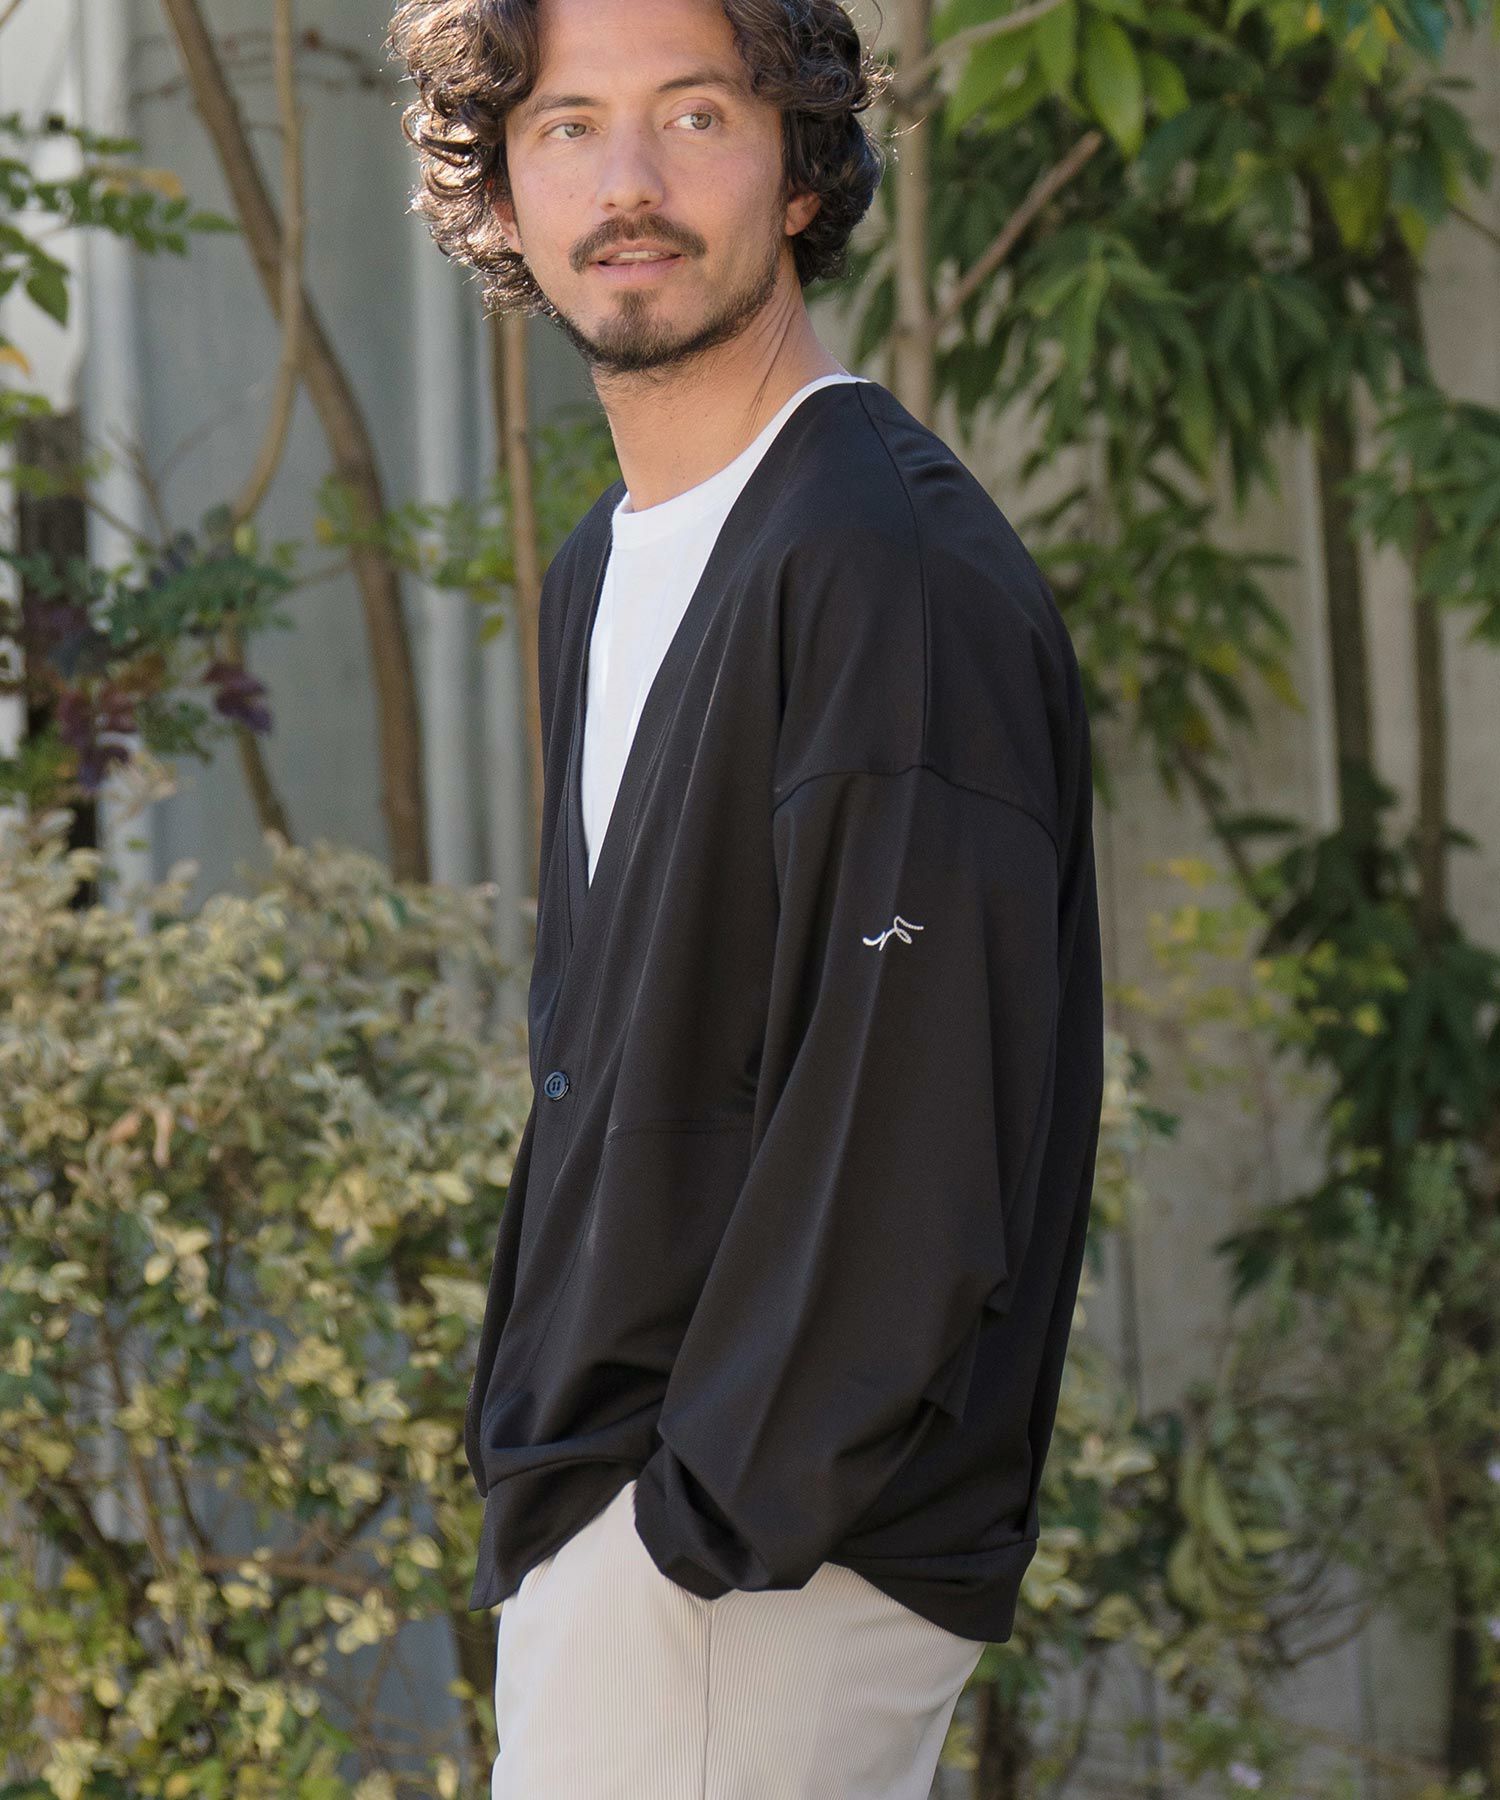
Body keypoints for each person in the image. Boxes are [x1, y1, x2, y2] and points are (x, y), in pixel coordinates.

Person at [389, 0, 1105, 1793]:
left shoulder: (883, 570)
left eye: (695, 114)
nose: (628, 181)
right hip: (634, 1531)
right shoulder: (610, 563)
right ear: (501, 187)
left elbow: (914, 1123)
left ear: (801, 166)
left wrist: (696, 1530)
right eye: (567, 125)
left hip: (758, 1567)